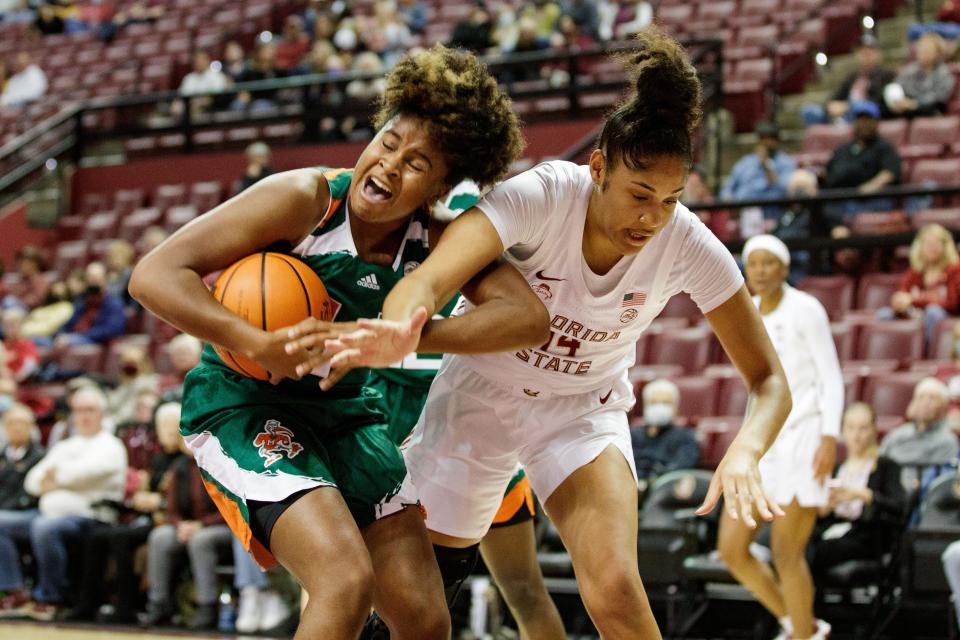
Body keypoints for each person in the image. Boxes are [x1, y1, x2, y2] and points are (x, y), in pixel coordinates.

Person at [304, 27, 793, 640]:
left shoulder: (689, 243)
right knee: (408, 599)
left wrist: (746, 450)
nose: (652, 217)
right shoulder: (542, 194)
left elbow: (769, 379)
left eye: (669, 200)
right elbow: (430, 280)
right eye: (639, 194)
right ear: (596, 169)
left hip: (580, 410)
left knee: (615, 585)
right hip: (479, 394)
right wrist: (402, 326)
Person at [129, 44, 544, 640]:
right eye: (389, 141)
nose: (389, 165)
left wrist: (409, 336)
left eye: (418, 163)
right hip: (244, 405)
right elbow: (154, 275)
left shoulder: (435, 241)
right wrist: (255, 339)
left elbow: (527, 318)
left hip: (345, 414)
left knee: (426, 620)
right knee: (343, 584)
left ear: (441, 186)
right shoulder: (303, 200)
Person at [718, 234, 841, 640]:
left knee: (789, 552)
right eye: (755, 264)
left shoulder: (808, 309)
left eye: (770, 263)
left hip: (805, 437)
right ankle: (799, 625)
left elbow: (831, 377)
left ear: (785, 268)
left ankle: (803, 634)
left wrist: (830, 436)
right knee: (732, 549)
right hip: (762, 441)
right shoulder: (746, 311)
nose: (762, 271)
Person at [61, 401, 181, 624]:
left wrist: (160, 502)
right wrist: (139, 498)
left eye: (173, 427)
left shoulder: (186, 462)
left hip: (165, 522)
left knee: (119, 537)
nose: (169, 432)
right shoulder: (157, 460)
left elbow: (184, 501)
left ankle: (126, 606)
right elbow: (142, 493)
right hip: (143, 518)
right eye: (163, 427)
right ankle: (88, 603)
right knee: (97, 536)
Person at [19, 387, 127, 620]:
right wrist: (61, 480)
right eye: (79, 410)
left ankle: (52, 598)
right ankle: (14, 591)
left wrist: (55, 478)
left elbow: (90, 472)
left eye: (90, 410)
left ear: (102, 413)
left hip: (91, 516)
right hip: (49, 511)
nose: (84, 416)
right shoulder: (64, 446)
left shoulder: (111, 445)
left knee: (44, 527)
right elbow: (32, 481)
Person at [142, 410, 232, 630]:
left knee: (201, 540)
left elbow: (231, 509)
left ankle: (207, 605)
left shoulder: (221, 464)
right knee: (160, 536)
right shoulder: (180, 466)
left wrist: (201, 525)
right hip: (190, 527)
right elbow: (171, 509)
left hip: (223, 527)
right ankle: (159, 603)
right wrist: (180, 525)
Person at [810, 402, 907, 580]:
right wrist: (824, 508)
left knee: (815, 551)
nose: (856, 435)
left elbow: (899, 507)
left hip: (867, 535)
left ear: (873, 430)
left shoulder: (886, 466)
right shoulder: (836, 467)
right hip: (833, 528)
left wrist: (863, 494)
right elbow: (820, 513)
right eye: (851, 428)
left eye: (863, 428)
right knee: (796, 541)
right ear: (843, 431)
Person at [879, 223, 960, 345]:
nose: (931, 248)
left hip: (945, 315)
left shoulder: (955, 269)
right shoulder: (915, 271)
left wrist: (914, 300)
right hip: (916, 313)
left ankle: (928, 354)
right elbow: (902, 294)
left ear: (945, 246)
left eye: (935, 244)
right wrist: (899, 302)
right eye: (927, 244)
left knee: (933, 312)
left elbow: (952, 303)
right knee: (884, 314)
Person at [822, 100, 901, 222]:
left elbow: (890, 172)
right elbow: (827, 172)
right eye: (860, 119)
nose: (863, 123)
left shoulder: (883, 147)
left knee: (841, 212)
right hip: (840, 197)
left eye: (867, 119)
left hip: (870, 200)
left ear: (876, 122)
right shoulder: (844, 148)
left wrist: (872, 186)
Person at [0, 404, 43, 616]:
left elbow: (36, 493)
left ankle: (14, 590)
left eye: (22, 423)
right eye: (11, 424)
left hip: (30, 514)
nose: (17, 428)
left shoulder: (40, 456)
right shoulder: (2, 456)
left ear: (31, 427)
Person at [879, 377, 959, 489]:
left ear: (943, 407)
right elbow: (880, 464)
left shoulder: (948, 441)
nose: (925, 403)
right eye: (921, 397)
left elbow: (944, 482)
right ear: (912, 404)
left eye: (932, 398)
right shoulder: (896, 435)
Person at [801, 35, 894, 125]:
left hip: (865, 117)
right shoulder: (852, 77)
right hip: (844, 115)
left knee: (860, 108)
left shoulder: (886, 76)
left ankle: (840, 127)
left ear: (878, 54)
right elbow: (834, 99)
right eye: (862, 50)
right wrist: (830, 107)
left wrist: (847, 107)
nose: (865, 54)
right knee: (809, 111)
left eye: (869, 50)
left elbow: (879, 103)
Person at [631, 378, 701, 491]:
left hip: (662, 491)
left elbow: (681, 467)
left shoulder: (685, 437)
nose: (659, 408)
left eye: (665, 403)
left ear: (675, 408)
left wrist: (649, 483)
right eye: (653, 403)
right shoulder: (632, 435)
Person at [54, 261, 127, 346]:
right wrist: (61, 334)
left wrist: (79, 336)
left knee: (68, 342)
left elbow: (112, 329)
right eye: (90, 279)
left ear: (105, 279)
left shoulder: (114, 303)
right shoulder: (82, 301)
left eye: (96, 279)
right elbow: (69, 324)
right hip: (74, 337)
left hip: (95, 341)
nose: (93, 283)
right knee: (39, 341)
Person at [886, 33, 956, 118]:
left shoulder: (944, 73)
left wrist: (915, 104)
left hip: (931, 109)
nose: (923, 52)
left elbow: (940, 97)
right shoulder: (909, 70)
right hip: (907, 109)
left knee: (929, 108)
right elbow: (897, 86)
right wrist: (900, 101)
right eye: (921, 49)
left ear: (938, 53)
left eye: (927, 49)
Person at [0, 308, 39, 383]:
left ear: (20, 326)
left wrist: (15, 379)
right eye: (6, 326)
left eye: (12, 325)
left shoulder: (26, 344)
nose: (9, 329)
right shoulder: (3, 345)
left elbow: (30, 365)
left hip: (18, 383)